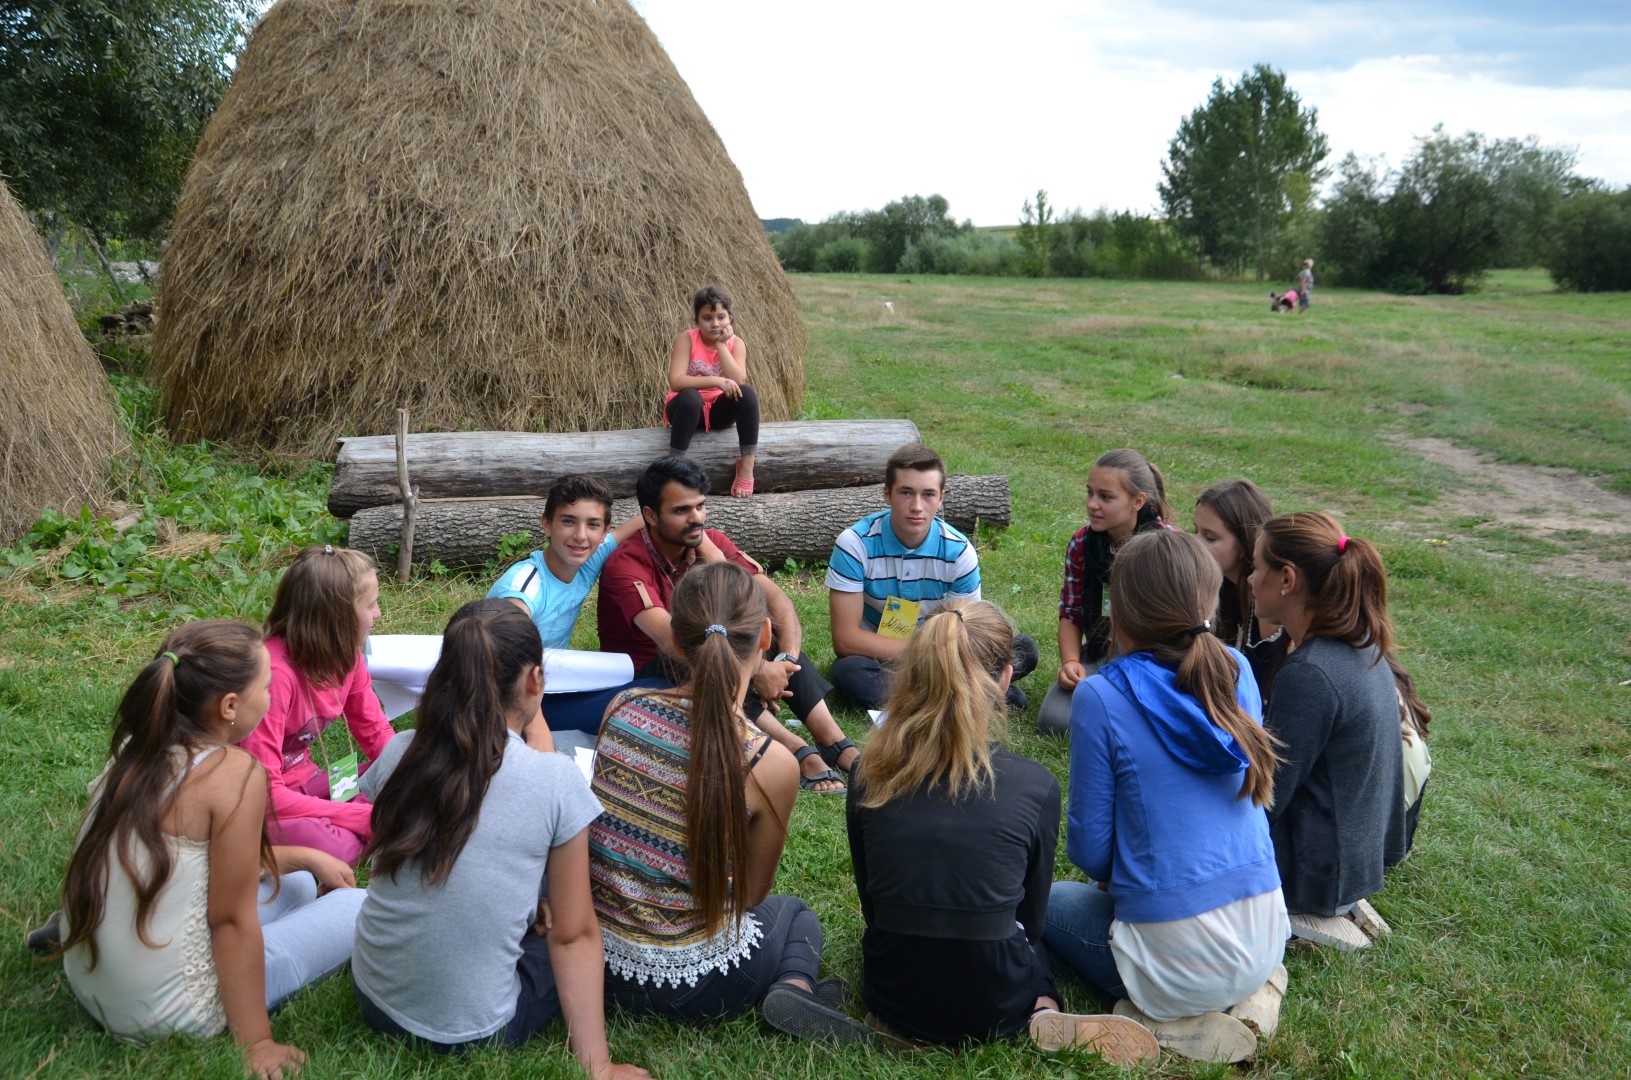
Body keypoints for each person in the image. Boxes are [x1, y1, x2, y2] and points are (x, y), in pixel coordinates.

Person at [845, 599, 1157, 1064]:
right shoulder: (1036, 785)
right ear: (1007, 678)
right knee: (1032, 947)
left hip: (891, 991)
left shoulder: (867, 772)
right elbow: (1030, 923)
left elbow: (872, 902)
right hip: (997, 1000)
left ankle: (905, 1024)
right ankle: (1045, 1008)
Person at [54, 621, 364, 1079]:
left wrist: (305, 857)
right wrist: (257, 1042)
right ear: (230, 706)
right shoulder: (233, 775)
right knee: (358, 904)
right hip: (165, 1009)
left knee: (297, 883)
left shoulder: (140, 743)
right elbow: (230, 921)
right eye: (267, 686)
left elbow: (195, 864)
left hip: (91, 973)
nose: (273, 695)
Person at [351, 600, 647, 1077]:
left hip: (373, 996)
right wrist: (600, 1066)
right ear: (535, 681)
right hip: (476, 1029)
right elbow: (573, 936)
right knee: (576, 924)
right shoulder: (554, 780)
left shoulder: (400, 751)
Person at [592, 562, 871, 1042]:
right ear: (766, 636)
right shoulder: (770, 761)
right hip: (697, 987)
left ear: (675, 642)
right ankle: (794, 985)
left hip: (598, 968)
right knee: (795, 915)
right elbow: (751, 896)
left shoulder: (621, 709)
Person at [1043, 531, 1289, 1064]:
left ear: (1120, 607)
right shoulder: (1239, 668)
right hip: (1266, 933)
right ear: (1210, 598)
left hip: (1176, 963)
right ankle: (1253, 997)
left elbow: (1090, 851)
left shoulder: (1101, 694)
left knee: (1045, 900)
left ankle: (1158, 1019)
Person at [597, 456, 858, 795]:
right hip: (654, 673)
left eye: (701, 506)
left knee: (764, 630)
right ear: (649, 515)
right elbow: (673, 640)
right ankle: (796, 749)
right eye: (681, 511)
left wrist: (784, 663)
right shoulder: (626, 564)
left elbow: (777, 603)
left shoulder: (711, 541)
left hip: (710, 651)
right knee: (710, 655)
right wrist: (757, 670)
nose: (696, 519)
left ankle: (835, 742)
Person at [1248, 511, 1409, 949]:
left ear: (1287, 579)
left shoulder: (1312, 672)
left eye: (1258, 566)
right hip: (1356, 864)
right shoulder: (1359, 643)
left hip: (1316, 880)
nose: (1248, 578)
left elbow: (1266, 797)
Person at [827, 443, 1038, 713]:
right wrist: (923, 652)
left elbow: (967, 634)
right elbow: (845, 640)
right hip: (881, 655)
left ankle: (921, 697)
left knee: (1024, 650)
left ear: (941, 498)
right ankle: (971, 695)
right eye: (906, 493)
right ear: (887, 494)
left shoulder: (959, 552)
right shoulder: (854, 544)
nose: (917, 506)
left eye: (928, 494)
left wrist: (937, 655)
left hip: (946, 652)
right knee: (847, 672)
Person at [486, 474, 679, 734]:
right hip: (507, 703)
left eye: (592, 525)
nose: (580, 536)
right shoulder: (524, 586)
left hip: (553, 684)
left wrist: (708, 545)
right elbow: (502, 664)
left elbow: (641, 521)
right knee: (656, 692)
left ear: (604, 533)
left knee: (663, 674)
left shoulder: (587, 560)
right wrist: (537, 731)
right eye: (568, 521)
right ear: (546, 524)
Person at [241, 545, 394, 865]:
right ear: (337, 619)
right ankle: (340, 833)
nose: (378, 613)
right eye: (370, 605)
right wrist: (351, 815)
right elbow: (265, 795)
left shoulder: (348, 657)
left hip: (311, 783)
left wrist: (412, 771)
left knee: (410, 754)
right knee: (342, 848)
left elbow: (375, 731)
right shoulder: (274, 675)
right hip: (265, 805)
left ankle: (357, 823)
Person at [1037, 449, 1172, 736]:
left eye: (1106, 497)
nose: (1092, 504)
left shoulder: (1168, 547)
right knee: (1054, 721)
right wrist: (1071, 662)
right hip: (1100, 655)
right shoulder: (1082, 545)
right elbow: (1071, 613)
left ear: (1138, 501)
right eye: (1090, 493)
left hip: (1155, 664)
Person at [665, 284, 760, 496]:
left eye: (721, 317)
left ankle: (746, 465)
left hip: (718, 410)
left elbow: (737, 379)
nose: (715, 324)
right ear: (696, 320)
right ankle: (674, 466)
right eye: (707, 318)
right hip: (687, 409)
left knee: (748, 394)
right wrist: (716, 380)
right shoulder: (687, 338)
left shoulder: (736, 344)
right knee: (690, 396)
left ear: (730, 318)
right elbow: (676, 381)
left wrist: (721, 346)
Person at [1194, 479, 1287, 693]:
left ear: (1246, 541)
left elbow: (1262, 678)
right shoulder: (1214, 583)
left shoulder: (1266, 598)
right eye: (1196, 531)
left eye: (1210, 537)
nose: (1196, 543)